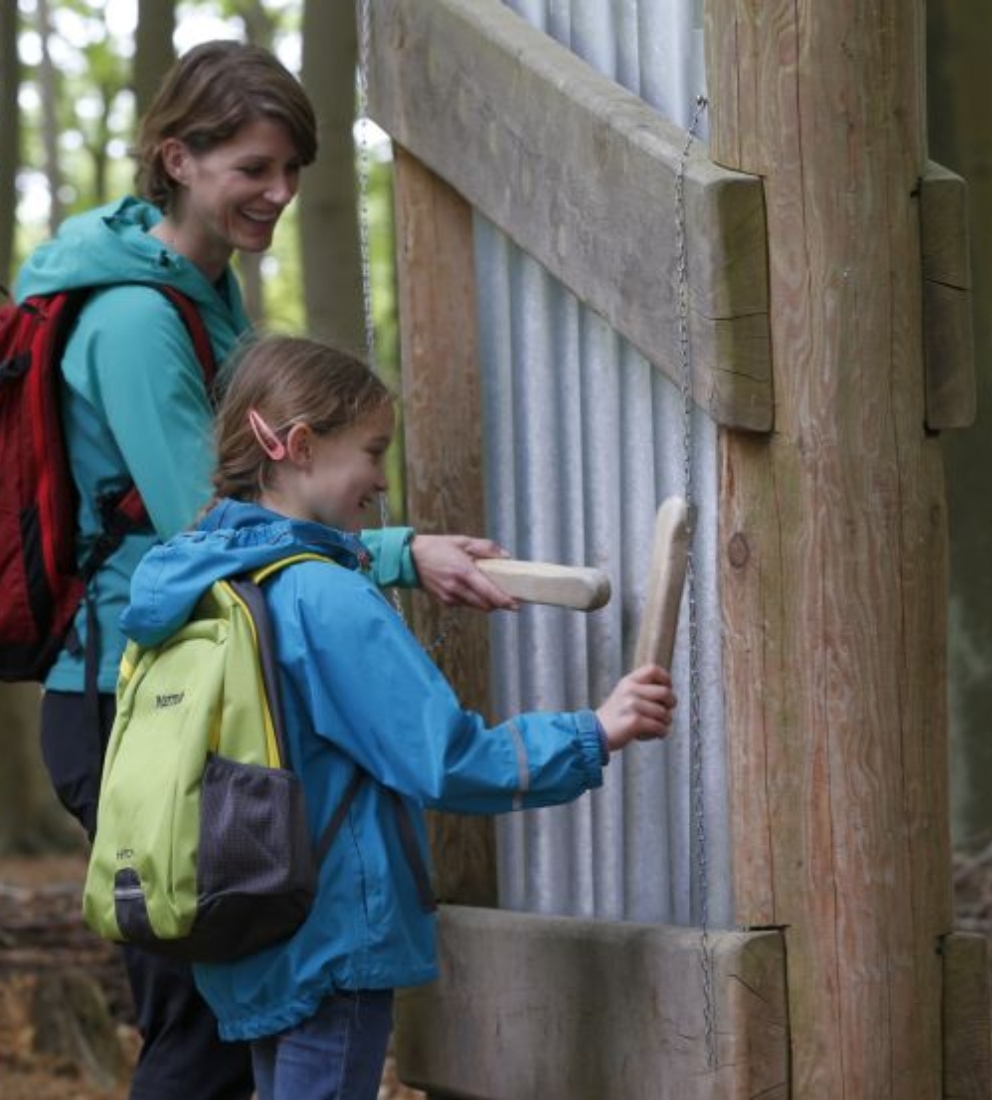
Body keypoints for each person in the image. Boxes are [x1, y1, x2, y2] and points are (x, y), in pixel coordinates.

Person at [10, 40, 517, 1100]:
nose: (279, 193)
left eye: (292, 170)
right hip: (133, 704)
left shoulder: (206, 294)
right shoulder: (137, 321)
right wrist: (393, 551)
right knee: (200, 1029)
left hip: (199, 692)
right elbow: (214, 522)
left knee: (237, 1018)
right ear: (176, 159)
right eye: (252, 167)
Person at [118, 335, 678, 1100]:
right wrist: (595, 730)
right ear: (302, 445)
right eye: (373, 451)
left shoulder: (201, 587)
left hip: (246, 925)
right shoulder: (324, 597)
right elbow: (445, 760)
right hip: (333, 931)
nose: (381, 482)